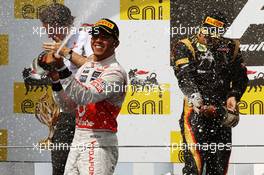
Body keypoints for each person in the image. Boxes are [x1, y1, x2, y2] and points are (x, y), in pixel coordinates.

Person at [40, 18, 127, 175]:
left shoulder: (115, 73)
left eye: (105, 37)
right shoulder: (86, 66)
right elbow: (68, 106)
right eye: (95, 36)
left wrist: (61, 66)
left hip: (99, 142)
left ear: (116, 43)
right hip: (78, 140)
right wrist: (55, 78)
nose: (98, 40)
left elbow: (85, 96)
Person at [171, 11, 248, 175]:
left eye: (214, 33)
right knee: (194, 167)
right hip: (194, 115)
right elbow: (184, 77)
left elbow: (241, 77)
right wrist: (196, 98)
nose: (208, 36)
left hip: (221, 115)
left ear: (221, 33)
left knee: (219, 169)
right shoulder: (184, 46)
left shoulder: (230, 47)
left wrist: (234, 96)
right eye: (206, 30)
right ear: (202, 27)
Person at [38, 3, 92, 175]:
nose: (49, 35)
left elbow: (95, 67)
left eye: (51, 30)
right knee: (59, 168)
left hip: (89, 114)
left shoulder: (86, 35)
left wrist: (66, 52)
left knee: (87, 169)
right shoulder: (56, 44)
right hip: (66, 114)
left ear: (63, 24)